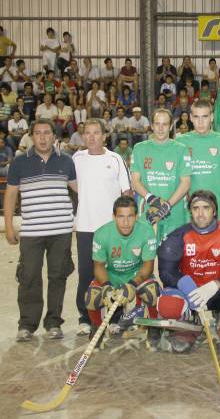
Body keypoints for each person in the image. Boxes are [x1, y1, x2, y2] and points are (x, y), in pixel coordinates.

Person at [156, 190, 220, 355]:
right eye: (195, 208)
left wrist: (218, 283)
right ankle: (188, 323)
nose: (200, 214)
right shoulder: (178, 235)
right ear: (191, 211)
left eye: (206, 208)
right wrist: (186, 285)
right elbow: (166, 271)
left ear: (214, 211)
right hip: (192, 293)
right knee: (168, 305)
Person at [4, 119, 77, 341]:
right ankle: (27, 325)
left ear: (54, 136)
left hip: (61, 231)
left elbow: (80, 190)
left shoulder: (67, 161)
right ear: (31, 136)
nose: (43, 137)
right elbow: (11, 195)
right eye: (38, 133)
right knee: (29, 277)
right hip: (31, 232)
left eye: (47, 133)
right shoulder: (19, 162)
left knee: (58, 276)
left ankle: (54, 323)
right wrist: (9, 226)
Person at [72, 119, 132, 335]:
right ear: (83, 136)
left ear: (104, 136)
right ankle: (86, 318)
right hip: (85, 227)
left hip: (111, 229)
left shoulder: (115, 159)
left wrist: (126, 223)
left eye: (96, 132)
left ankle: (116, 317)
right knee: (86, 274)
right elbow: (72, 185)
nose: (91, 137)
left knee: (114, 273)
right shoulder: (76, 158)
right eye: (87, 133)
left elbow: (127, 193)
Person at [86, 196, 160, 347]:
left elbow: (148, 266)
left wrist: (132, 284)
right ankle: (97, 327)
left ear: (136, 217)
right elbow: (99, 266)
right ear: (114, 217)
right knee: (92, 297)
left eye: (130, 216)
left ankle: (153, 326)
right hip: (112, 275)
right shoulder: (101, 234)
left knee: (152, 292)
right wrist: (106, 286)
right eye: (121, 217)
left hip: (137, 274)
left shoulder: (146, 231)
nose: (126, 222)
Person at [176, 99, 220, 222]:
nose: (200, 122)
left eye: (205, 117)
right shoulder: (180, 142)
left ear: (211, 117)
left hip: (218, 209)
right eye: (196, 117)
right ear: (191, 117)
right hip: (191, 210)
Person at [131, 109, 191, 243]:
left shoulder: (181, 149)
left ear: (170, 126)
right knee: (147, 254)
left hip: (174, 213)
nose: (160, 128)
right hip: (148, 212)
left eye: (164, 124)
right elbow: (135, 181)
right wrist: (152, 199)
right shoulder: (139, 148)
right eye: (157, 124)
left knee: (171, 255)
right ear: (152, 125)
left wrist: (167, 206)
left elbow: (186, 183)